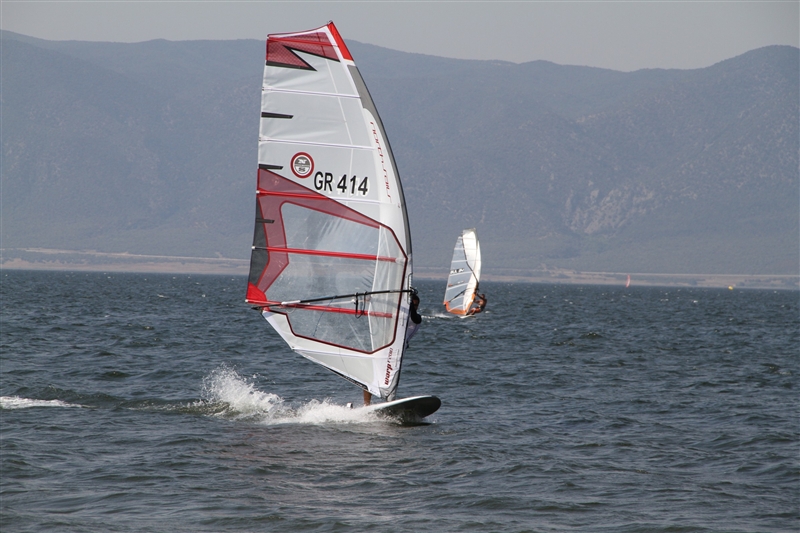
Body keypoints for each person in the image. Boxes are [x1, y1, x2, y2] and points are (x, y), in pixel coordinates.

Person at [363, 292, 422, 406]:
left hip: (398, 350)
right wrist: (373, 300)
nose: (414, 307)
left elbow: (415, 317)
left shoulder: (417, 318)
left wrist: (409, 305)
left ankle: (389, 401)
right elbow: (387, 305)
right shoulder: (398, 315)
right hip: (385, 347)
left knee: (391, 374)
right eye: (413, 305)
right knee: (373, 373)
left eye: (416, 305)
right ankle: (366, 404)